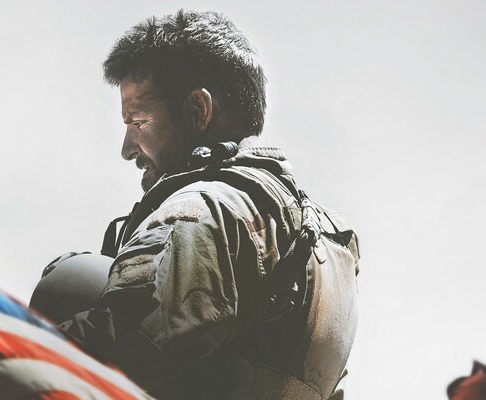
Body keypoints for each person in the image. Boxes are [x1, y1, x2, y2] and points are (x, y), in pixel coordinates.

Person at [59, 10, 360, 400]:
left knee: (65, 283)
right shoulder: (326, 235)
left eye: (137, 121)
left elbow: (113, 350)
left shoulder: (202, 210)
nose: (128, 149)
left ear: (197, 111)